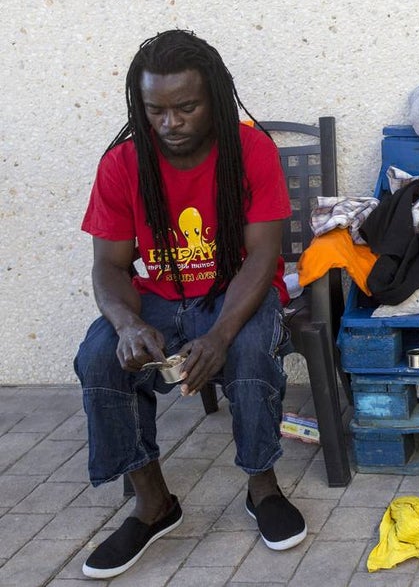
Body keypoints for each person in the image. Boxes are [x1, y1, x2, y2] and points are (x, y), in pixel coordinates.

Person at [75, 30, 307, 579]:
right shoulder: (122, 164)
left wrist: (220, 334)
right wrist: (128, 323)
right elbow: (109, 265)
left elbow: (262, 256)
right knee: (99, 354)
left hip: (237, 293)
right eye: (155, 109)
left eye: (185, 107)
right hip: (159, 299)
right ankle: (153, 504)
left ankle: (262, 487)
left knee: (251, 350)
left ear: (215, 101)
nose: (169, 122)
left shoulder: (251, 151)